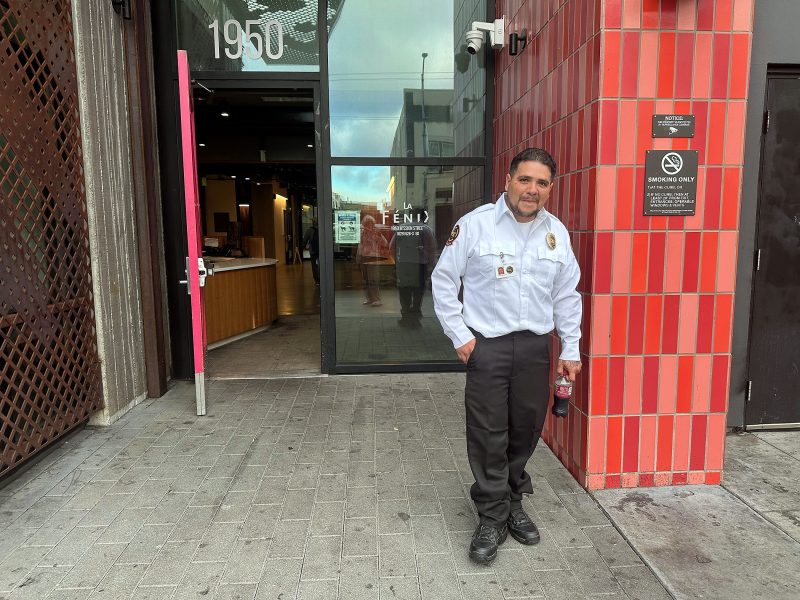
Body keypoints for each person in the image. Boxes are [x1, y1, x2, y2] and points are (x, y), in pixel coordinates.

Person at [431, 147, 582, 565]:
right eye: (525, 179)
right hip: (488, 347)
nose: (532, 189)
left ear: (550, 189)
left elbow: (566, 295)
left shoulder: (557, 234)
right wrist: (462, 338)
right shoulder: (476, 226)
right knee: (487, 432)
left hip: (535, 347)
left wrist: (571, 346)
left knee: (526, 428)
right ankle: (492, 514)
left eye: (542, 183)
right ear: (508, 181)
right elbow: (444, 281)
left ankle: (513, 497)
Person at [389, 208, 436, 328]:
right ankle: (414, 318)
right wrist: (431, 266)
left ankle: (405, 317)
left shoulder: (401, 228)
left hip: (403, 264)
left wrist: (398, 259)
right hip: (420, 265)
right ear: (423, 216)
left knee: (404, 290)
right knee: (418, 292)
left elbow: (391, 247)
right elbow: (431, 250)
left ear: (410, 215)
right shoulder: (425, 229)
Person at [356, 214, 388, 306]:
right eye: (366, 224)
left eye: (369, 223)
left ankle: (377, 299)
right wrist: (358, 258)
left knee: (373, 280)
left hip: (373, 258)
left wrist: (378, 236)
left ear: (372, 224)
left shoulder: (376, 233)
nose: (367, 226)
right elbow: (360, 246)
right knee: (366, 280)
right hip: (364, 258)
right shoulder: (362, 233)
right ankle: (369, 298)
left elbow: (385, 244)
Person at [302, 217, 320, 285]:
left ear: (313, 222)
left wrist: (302, 247)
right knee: (321, 265)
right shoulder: (322, 229)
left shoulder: (309, 230)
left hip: (313, 251)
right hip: (321, 251)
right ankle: (323, 278)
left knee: (314, 265)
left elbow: (305, 240)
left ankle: (317, 280)